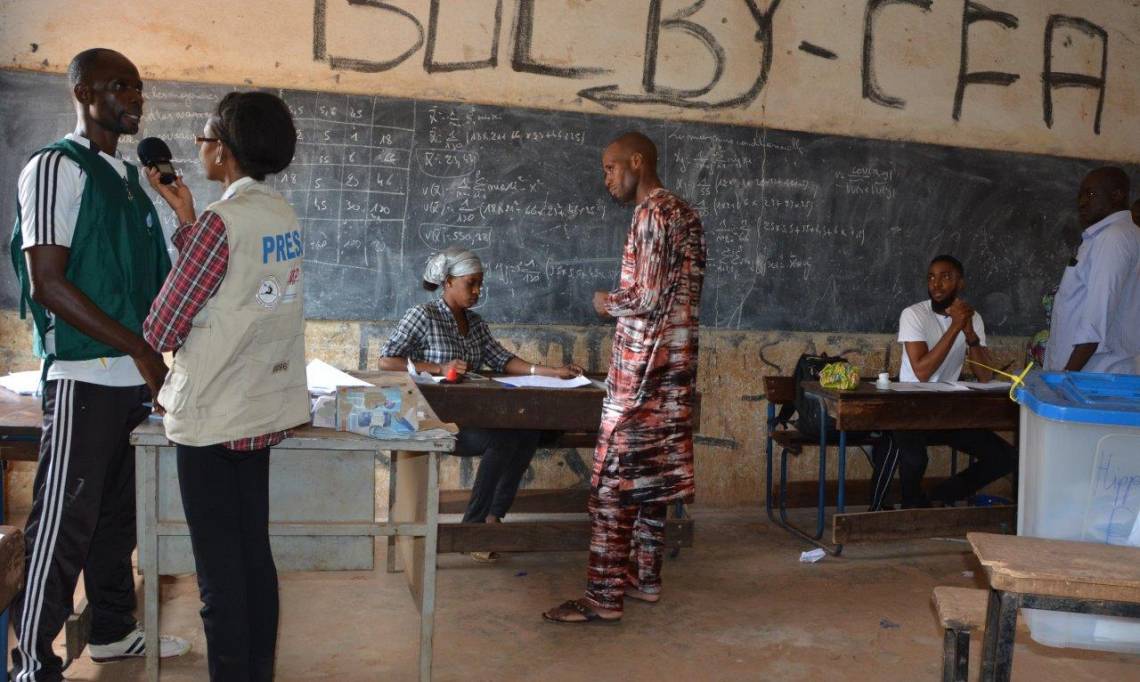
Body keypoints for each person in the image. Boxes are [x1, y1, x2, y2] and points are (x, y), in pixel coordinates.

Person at [7, 48, 189, 680]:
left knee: (118, 521)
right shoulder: (58, 166)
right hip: (85, 379)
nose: (135, 97)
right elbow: (48, 283)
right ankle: (32, 661)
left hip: (132, 383)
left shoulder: (128, 180)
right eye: (120, 86)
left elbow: (156, 287)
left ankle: (112, 630)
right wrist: (141, 349)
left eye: (139, 86)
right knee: (63, 527)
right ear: (84, 91)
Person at [142, 91, 310, 681]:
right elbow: (234, 285)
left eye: (206, 135)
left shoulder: (222, 222)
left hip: (212, 416)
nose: (199, 146)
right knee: (252, 557)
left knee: (217, 574)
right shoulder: (278, 215)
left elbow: (162, 324)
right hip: (259, 411)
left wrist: (195, 226)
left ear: (226, 149)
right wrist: (186, 218)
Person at [544, 132, 705, 623]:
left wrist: (606, 302)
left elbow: (647, 299)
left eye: (611, 168)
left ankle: (603, 596)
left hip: (641, 379)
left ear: (638, 161)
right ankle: (645, 579)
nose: (607, 179)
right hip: (673, 378)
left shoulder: (653, 214)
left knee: (614, 487)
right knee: (652, 482)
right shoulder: (686, 215)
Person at [378, 246, 583, 562]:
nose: (477, 291)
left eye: (480, 284)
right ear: (448, 282)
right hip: (435, 420)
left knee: (526, 432)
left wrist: (552, 372)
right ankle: (474, 527)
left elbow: (503, 359)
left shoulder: (475, 323)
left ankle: (493, 519)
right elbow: (387, 360)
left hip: (470, 418)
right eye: (470, 283)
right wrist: (438, 368)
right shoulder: (423, 315)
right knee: (503, 438)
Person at [868, 255, 1017, 510]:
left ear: (961, 284)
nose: (936, 284)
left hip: (947, 410)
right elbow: (922, 372)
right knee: (915, 459)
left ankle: (940, 495)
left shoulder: (973, 318)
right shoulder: (914, 314)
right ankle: (912, 507)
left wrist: (969, 334)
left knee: (1005, 457)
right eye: (931, 277)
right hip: (909, 408)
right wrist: (954, 327)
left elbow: (985, 376)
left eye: (946, 277)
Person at [1045, 167, 1140, 374]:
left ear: (1117, 195)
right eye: (1080, 195)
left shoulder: (1113, 238)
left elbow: (1096, 318)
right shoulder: (1115, 235)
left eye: (1091, 194)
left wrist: (1067, 376)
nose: (1082, 202)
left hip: (1092, 376)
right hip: (1094, 374)